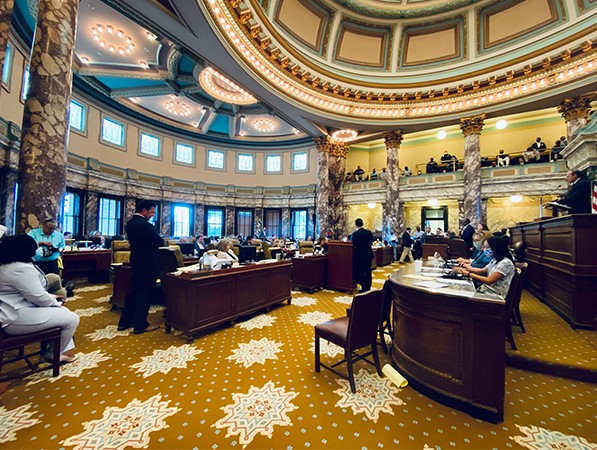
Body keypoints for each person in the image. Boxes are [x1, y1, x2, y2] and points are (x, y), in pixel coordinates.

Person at [0, 235, 79, 363]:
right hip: (15, 317)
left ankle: (58, 350)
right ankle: (54, 353)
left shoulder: (7, 266)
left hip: (14, 311)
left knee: (64, 313)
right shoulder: (20, 269)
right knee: (72, 319)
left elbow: (31, 293)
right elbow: (38, 297)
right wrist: (56, 302)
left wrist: (53, 299)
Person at [117, 200, 164, 334]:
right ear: (144, 210)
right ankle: (140, 325)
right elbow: (159, 241)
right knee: (145, 294)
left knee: (133, 292)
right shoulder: (146, 225)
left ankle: (125, 321)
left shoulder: (130, 223)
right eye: (152, 212)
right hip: (148, 263)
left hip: (136, 261)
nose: (153, 215)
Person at [350, 218, 373, 292]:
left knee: (361, 272)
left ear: (355, 224)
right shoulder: (369, 232)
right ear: (362, 224)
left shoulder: (355, 234)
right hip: (368, 255)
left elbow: (352, 244)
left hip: (359, 256)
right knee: (368, 271)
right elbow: (371, 242)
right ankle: (368, 287)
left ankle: (364, 287)